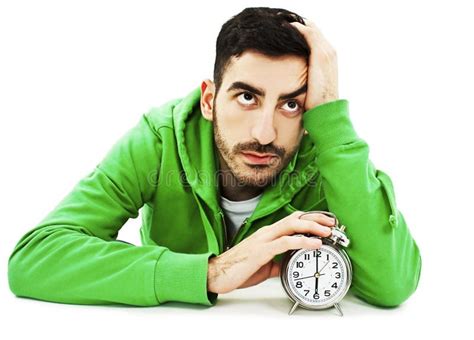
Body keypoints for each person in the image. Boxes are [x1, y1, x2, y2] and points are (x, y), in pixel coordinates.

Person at [7, 7, 421, 308]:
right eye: (246, 97)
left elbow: (393, 285)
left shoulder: (325, 154)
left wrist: (331, 116)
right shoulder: (159, 140)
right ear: (209, 99)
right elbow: (34, 259)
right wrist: (211, 273)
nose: (264, 133)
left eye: (291, 105)